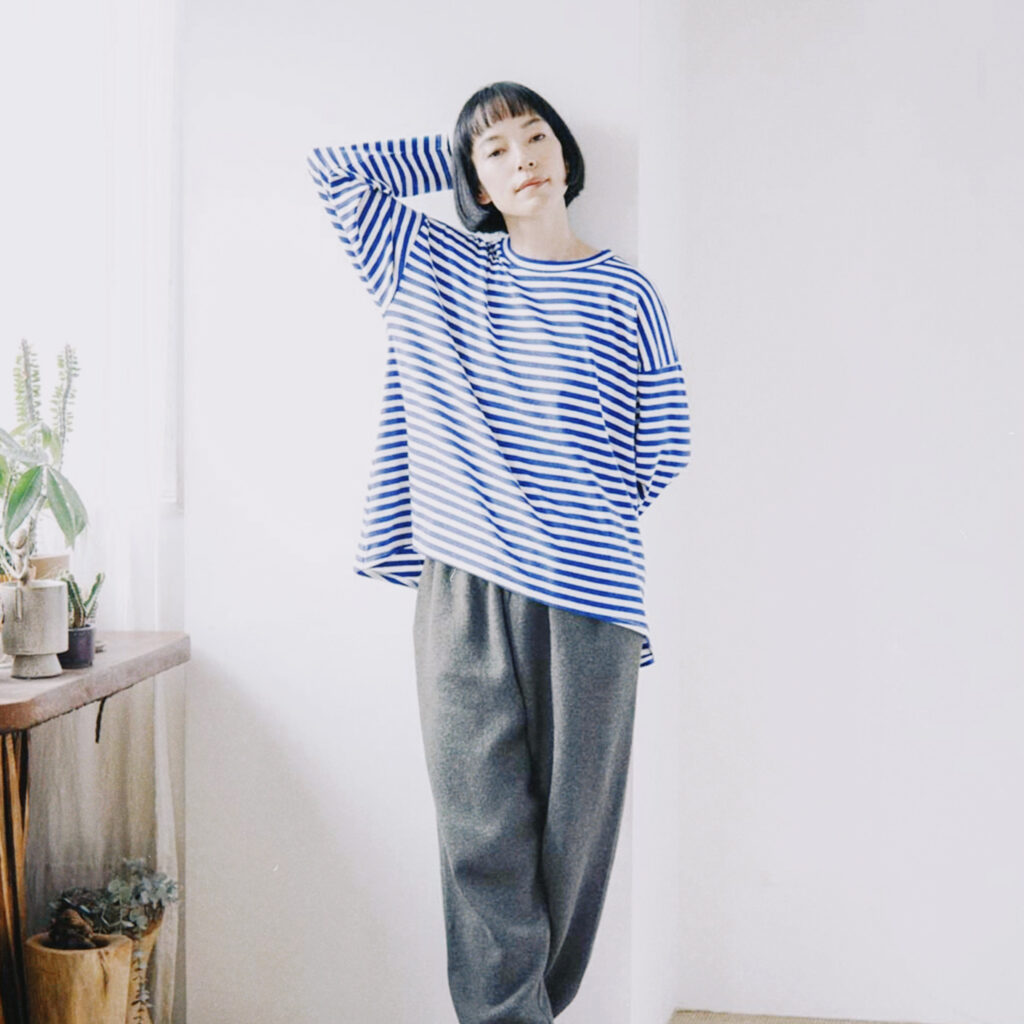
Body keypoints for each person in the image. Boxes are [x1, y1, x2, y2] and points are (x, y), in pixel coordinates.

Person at [308, 81, 691, 1024]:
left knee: (573, 839)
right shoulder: (433, 266)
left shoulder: (627, 291)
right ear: (473, 181)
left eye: (536, 137)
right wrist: (458, 153)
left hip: (591, 600)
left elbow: (664, 446)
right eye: (496, 151)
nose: (523, 158)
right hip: (464, 588)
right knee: (478, 830)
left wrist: (573, 519)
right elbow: (334, 174)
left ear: (566, 152)